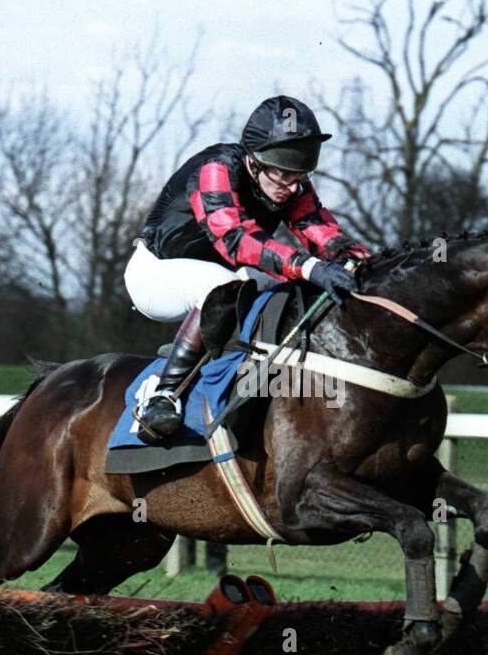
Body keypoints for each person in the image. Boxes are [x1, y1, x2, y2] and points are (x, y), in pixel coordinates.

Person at [126, 94, 372, 440]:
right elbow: (236, 240)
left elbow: (317, 227)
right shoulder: (215, 170)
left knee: (284, 289)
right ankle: (164, 397)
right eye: (283, 175)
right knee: (223, 285)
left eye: (300, 176)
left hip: (222, 275)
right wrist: (308, 265)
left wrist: (355, 256)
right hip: (155, 274)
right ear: (254, 163)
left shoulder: (287, 180)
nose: (291, 187)